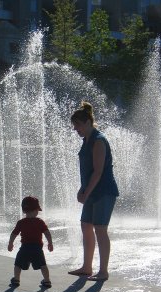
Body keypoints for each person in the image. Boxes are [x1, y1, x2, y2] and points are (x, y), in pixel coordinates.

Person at [68, 102, 119, 281]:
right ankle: (87, 267)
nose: (76, 129)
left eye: (78, 125)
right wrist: (82, 189)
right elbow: (87, 171)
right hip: (91, 191)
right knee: (85, 226)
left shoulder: (98, 140)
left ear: (88, 122)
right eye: (74, 126)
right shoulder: (86, 140)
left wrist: (85, 192)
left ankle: (103, 271)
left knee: (100, 229)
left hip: (104, 190)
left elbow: (98, 171)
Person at [8, 196, 53, 288]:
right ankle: (47, 281)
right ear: (36, 210)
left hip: (25, 248)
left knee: (18, 264)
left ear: (24, 211)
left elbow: (14, 234)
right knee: (43, 265)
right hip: (37, 249)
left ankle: (16, 279)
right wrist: (50, 243)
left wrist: (10, 243)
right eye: (37, 210)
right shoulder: (40, 222)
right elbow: (47, 233)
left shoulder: (21, 222)